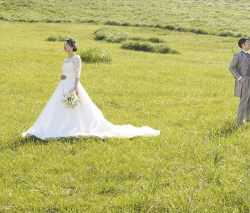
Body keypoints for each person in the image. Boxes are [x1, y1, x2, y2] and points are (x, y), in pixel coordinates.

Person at [22, 38, 160, 140]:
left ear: (71, 46)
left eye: (66, 44)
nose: (64, 46)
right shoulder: (65, 60)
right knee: (58, 106)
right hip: (63, 86)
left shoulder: (77, 59)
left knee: (77, 106)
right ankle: (59, 127)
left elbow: (77, 73)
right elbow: (65, 72)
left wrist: (76, 87)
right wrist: (62, 76)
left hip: (72, 85)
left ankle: (76, 127)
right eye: (64, 44)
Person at [228, 37, 250, 126]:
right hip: (244, 81)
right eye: (248, 42)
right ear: (242, 45)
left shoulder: (249, 55)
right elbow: (231, 68)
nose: (249, 44)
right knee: (243, 102)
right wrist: (240, 78)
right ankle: (239, 122)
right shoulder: (238, 55)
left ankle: (249, 120)